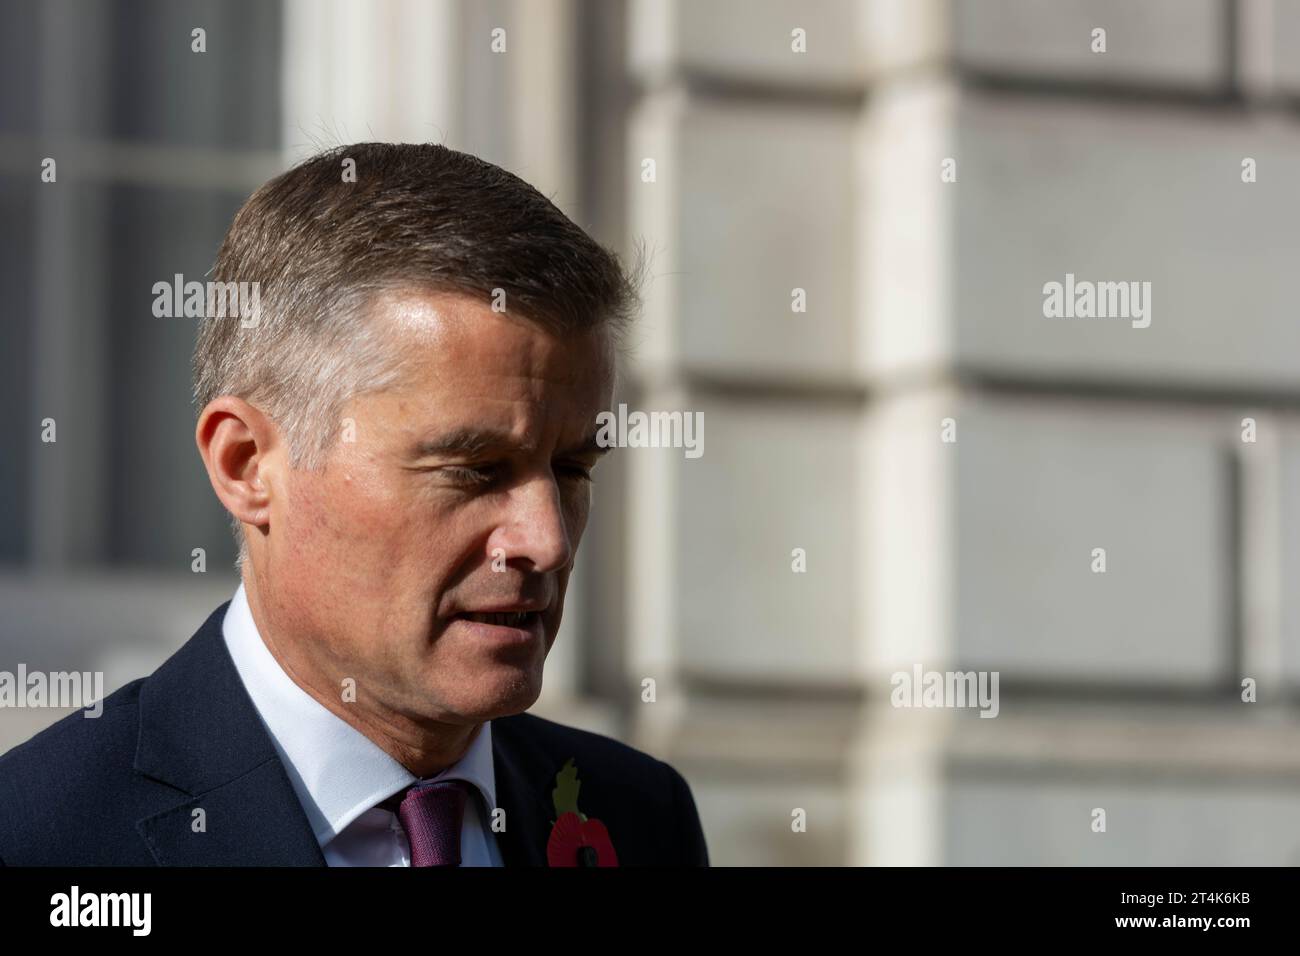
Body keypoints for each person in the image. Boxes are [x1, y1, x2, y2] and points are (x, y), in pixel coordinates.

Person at [0, 143, 708, 867]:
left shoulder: (639, 818)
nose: (545, 539)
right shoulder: (41, 840)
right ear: (246, 464)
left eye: (570, 469)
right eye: (474, 470)